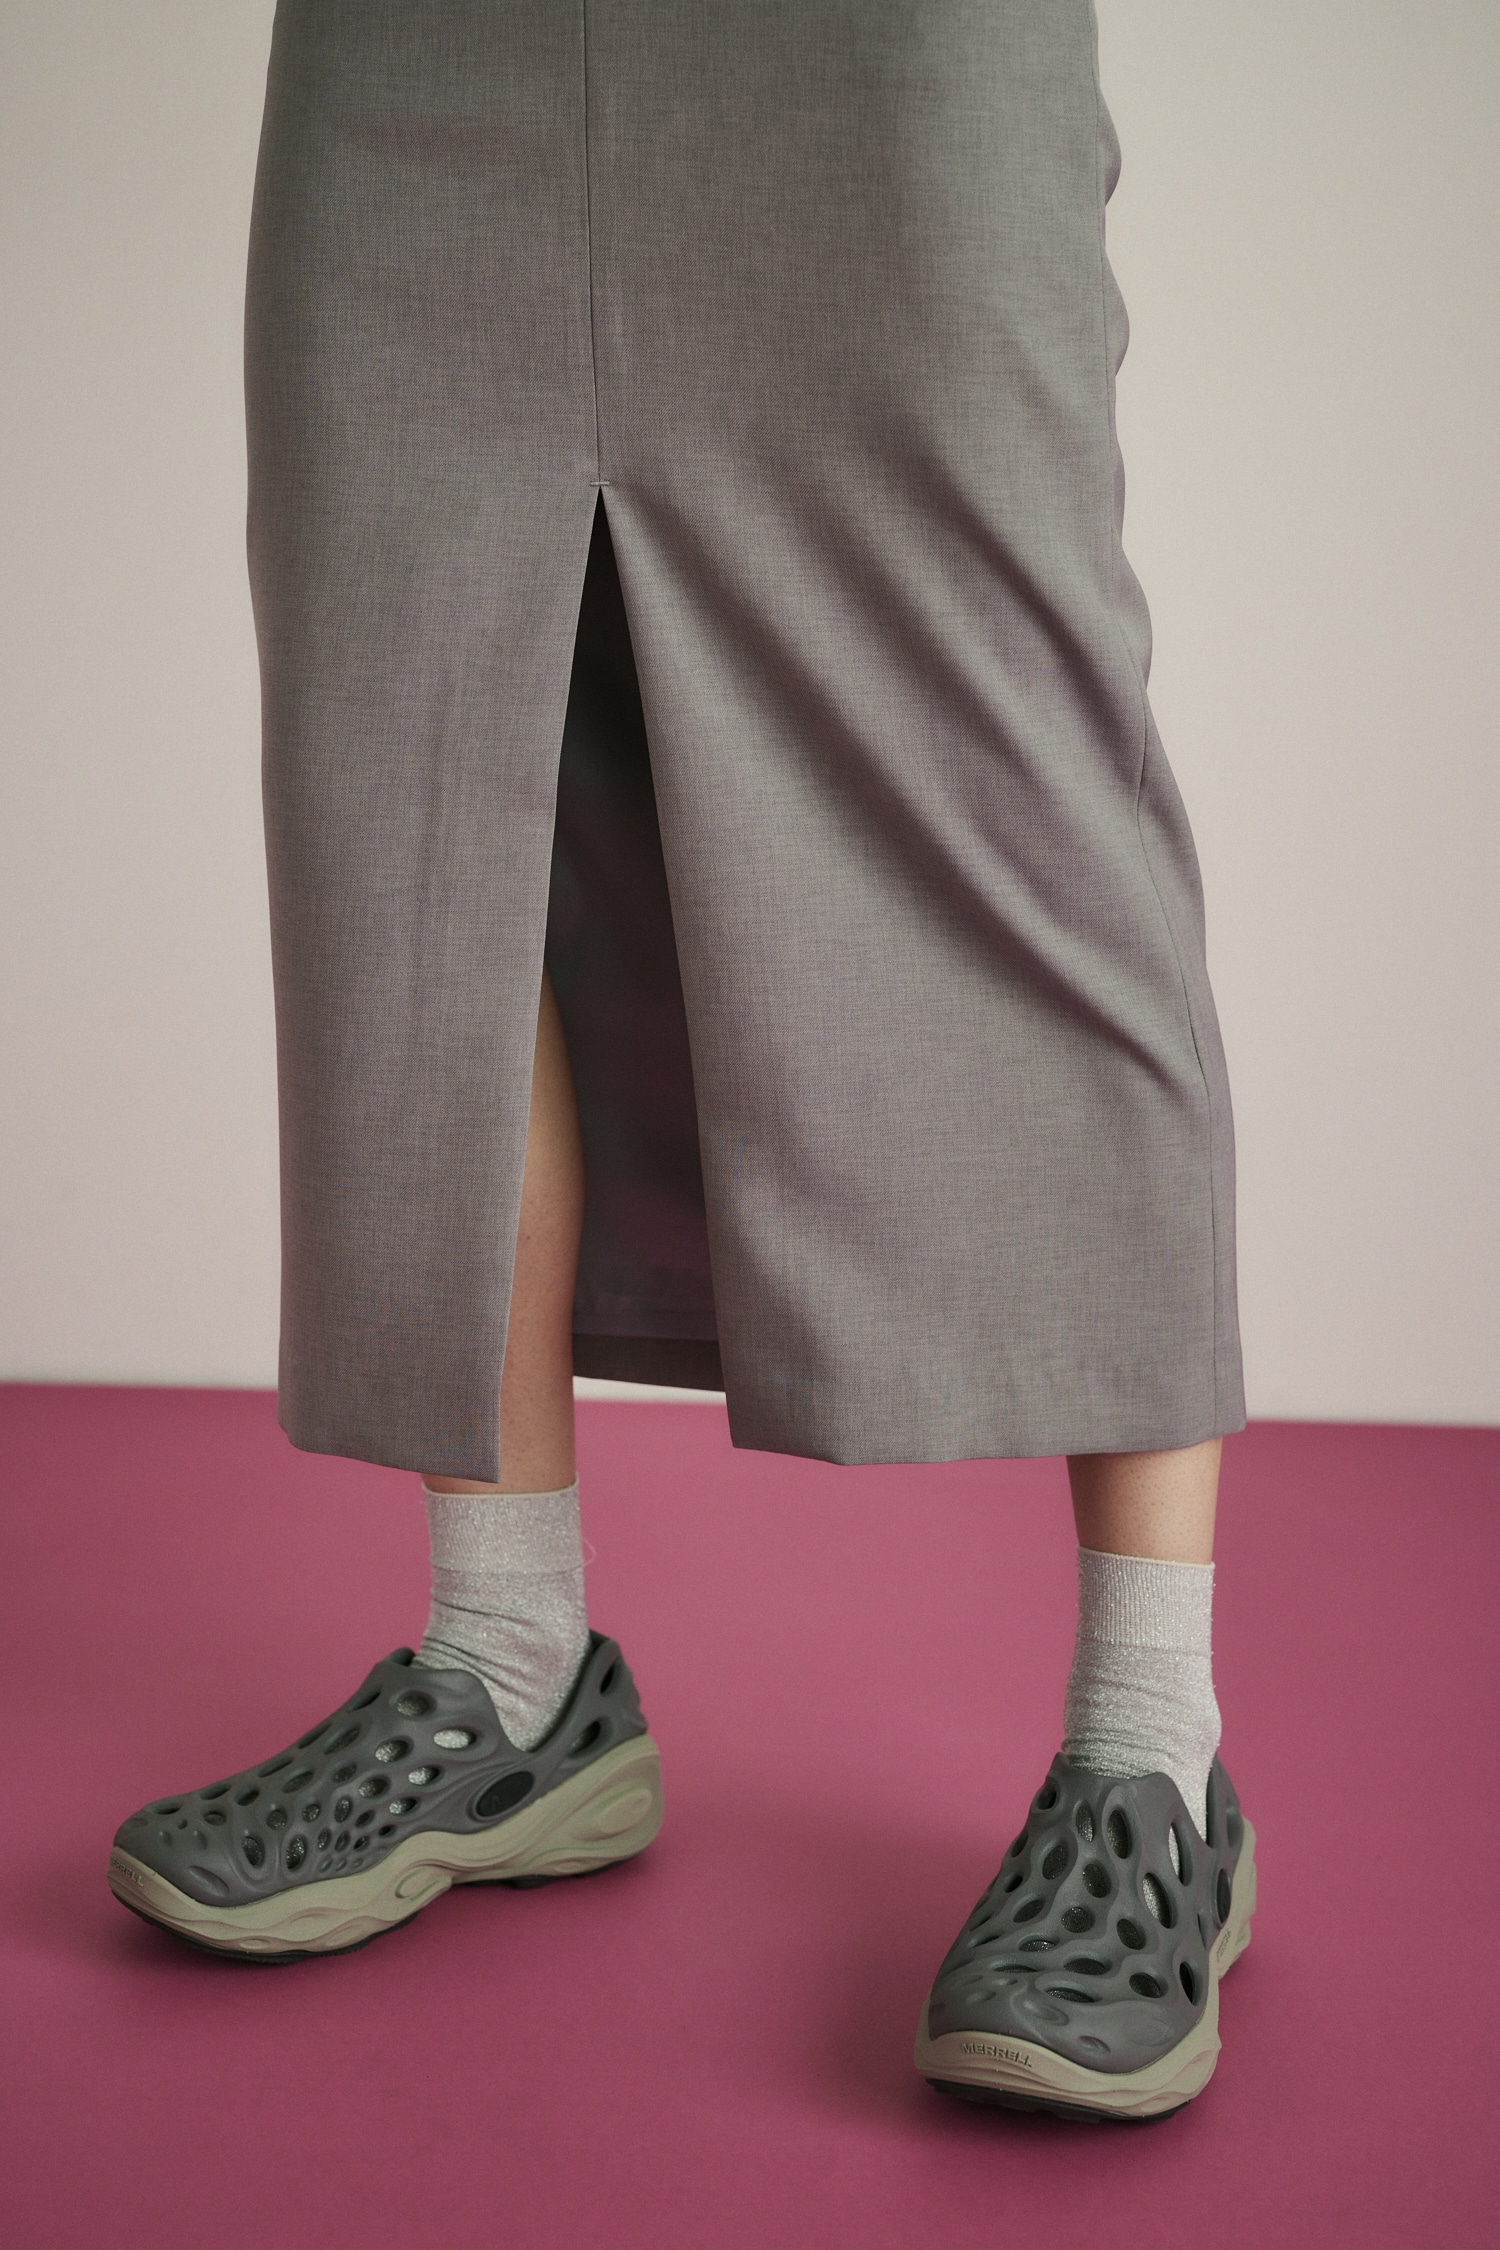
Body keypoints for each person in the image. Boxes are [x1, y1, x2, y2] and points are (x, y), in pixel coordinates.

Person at [107, 0, 1254, 2121]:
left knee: (1013, 776)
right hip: (421, 56)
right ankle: (510, 1665)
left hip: (863, 48)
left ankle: (1150, 1751)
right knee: (421, 758)